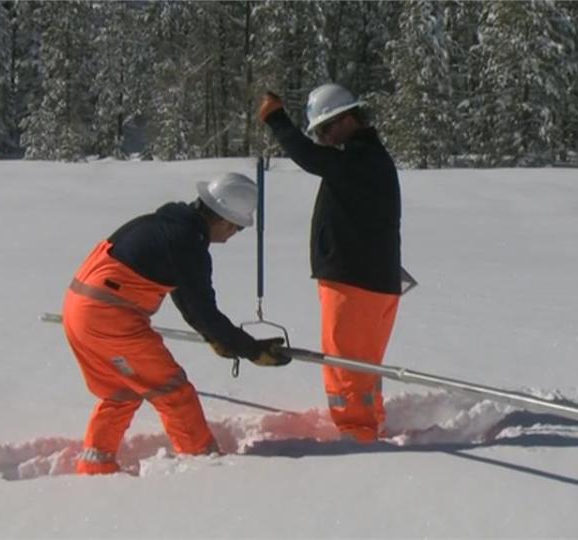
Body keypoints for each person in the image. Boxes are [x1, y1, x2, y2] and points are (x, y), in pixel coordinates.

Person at [61, 172, 289, 475]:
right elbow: (202, 309)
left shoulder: (163, 225)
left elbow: (185, 298)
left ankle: (94, 465)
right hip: (111, 319)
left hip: (79, 311)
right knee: (172, 391)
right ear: (223, 219)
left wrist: (218, 339)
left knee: (122, 391)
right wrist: (249, 349)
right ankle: (202, 465)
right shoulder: (187, 243)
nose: (234, 234)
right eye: (237, 227)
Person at [258, 83, 406, 444]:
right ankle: (369, 423)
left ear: (347, 120)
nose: (323, 139)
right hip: (372, 280)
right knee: (363, 365)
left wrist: (277, 120)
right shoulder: (365, 157)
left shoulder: (361, 159)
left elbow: (310, 158)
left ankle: (357, 434)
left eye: (325, 129)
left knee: (346, 367)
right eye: (319, 133)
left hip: (354, 281)